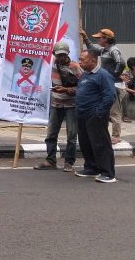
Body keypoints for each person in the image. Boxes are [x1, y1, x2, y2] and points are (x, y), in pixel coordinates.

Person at [33, 42, 82, 172]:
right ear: (54, 54)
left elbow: (84, 86)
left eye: (63, 55)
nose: (60, 58)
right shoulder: (52, 64)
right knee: (51, 134)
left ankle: (69, 162)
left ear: (67, 54)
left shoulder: (75, 67)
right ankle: (50, 160)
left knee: (71, 135)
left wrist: (66, 90)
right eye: (58, 55)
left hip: (71, 104)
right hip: (56, 103)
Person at [74, 49, 117, 183]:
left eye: (83, 60)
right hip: (82, 115)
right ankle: (92, 168)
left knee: (100, 144)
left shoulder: (103, 75)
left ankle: (108, 173)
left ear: (93, 60)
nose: (80, 62)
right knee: (86, 143)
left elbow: (110, 96)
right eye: (80, 59)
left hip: (95, 116)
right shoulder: (85, 74)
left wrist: (98, 113)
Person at [80, 27, 125, 143]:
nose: (98, 40)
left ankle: (116, 136)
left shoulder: (113, 50)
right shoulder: (105, 50)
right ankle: (107, 134)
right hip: (107, 83)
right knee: (106, 110)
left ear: (106, 39)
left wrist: (113, 76)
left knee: (114, 111)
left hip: (113, 84)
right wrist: (85, 38)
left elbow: (121, 63)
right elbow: (92, 50)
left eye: (100, 38)